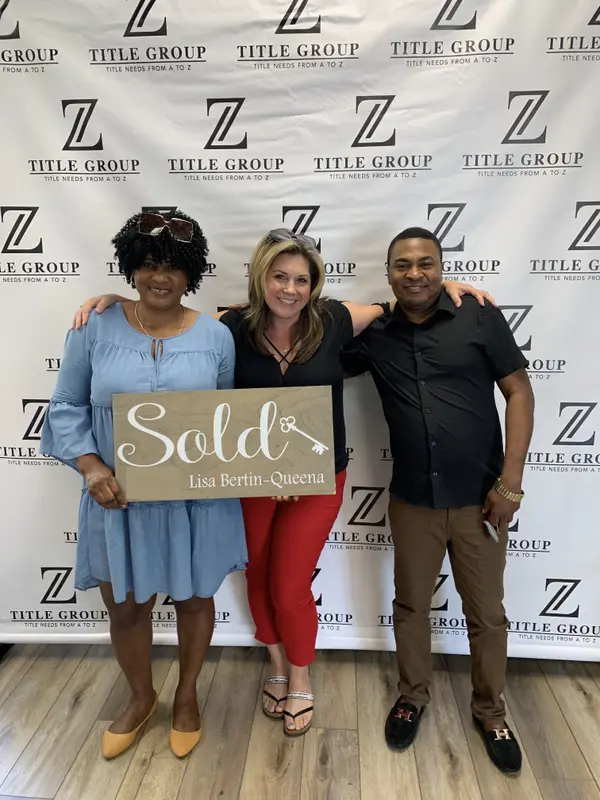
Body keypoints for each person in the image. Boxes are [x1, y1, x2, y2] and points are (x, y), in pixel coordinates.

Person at [73, 223, 493, 737]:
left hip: (318, 479)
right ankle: (275, 663)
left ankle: (299, 676)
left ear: (314, 285)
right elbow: (168, 315)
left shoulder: (335, 319)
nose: (290, 289)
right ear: (260, 277)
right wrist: (121, 301)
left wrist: (446, 285)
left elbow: (398, 305)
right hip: (250, 477)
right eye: (280, 276)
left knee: (290, 583)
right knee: (257, 575)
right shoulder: (230, 327)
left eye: (301, 279)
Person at [41, 210, 247, 760]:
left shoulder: (216, 336)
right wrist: (91, 467)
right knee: (127, 607)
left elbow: (227, 418)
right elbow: (65, 405)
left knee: (195, 599)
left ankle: (187, 695)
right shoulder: (93, 327)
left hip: (194, 500)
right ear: (132, 267)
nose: (161, 277)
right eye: (150, 264)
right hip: (118, 497)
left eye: (174, 267)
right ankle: (140, 697)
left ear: (191, 273)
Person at [342, 227, 534, 774]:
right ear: (388, 274)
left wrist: (510, 481)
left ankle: (490, 711)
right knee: (411, 607)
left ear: (442, 267)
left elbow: (519, 391)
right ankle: (412, 696)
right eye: (402, 265)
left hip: (482, 500)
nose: (415, 274)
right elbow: (310, 330)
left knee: (487, 615)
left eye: (426, 263)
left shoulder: (477, 316)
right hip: (413, 500)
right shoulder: (375, 333)